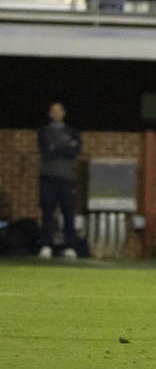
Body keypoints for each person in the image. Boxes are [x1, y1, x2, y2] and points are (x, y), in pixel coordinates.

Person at [37, 102, 82, 260]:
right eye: (53, 111)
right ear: (50, 114)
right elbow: (45, 150)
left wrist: (56, 147)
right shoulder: (43, 131)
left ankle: (70, 247)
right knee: (47, 213)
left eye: (59, 111)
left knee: (69, 214)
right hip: (48, 178)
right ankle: (46, 245)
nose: (56, 113)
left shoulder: (73, 132)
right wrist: (64, 146)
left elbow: (75, 151)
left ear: (63, 113)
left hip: (67, 179)